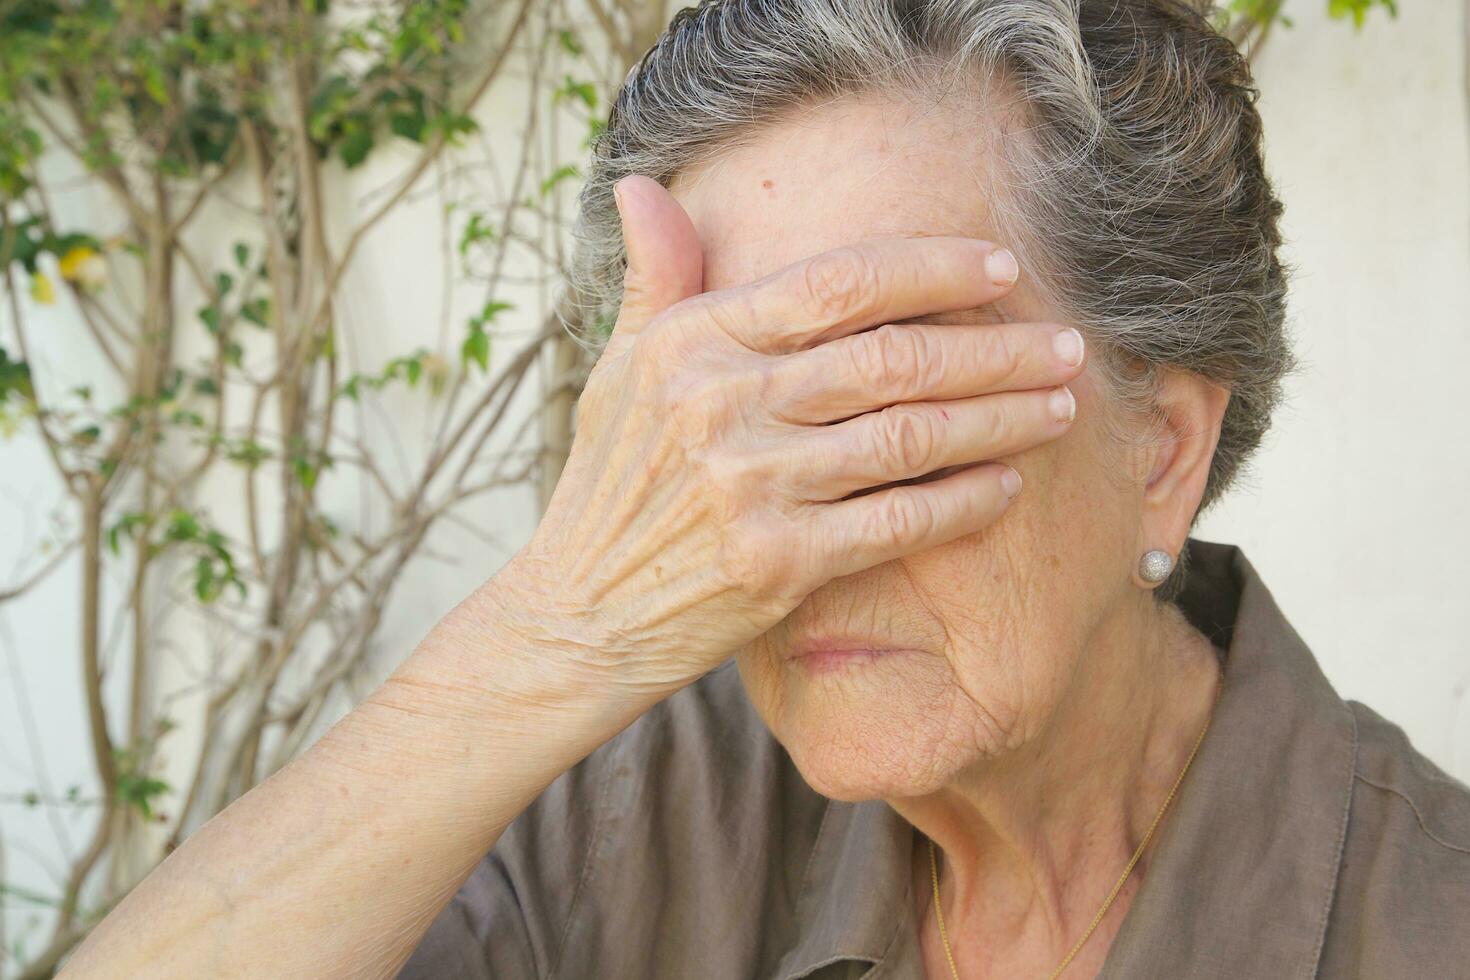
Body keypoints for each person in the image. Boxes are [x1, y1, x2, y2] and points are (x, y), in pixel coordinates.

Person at [62, 1, 1470, 978]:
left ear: (1157, 450)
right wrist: (550, 633)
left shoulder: (1423, 920)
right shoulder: (637, 829)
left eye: (875, 409)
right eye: (717, 423)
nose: (768, 542)